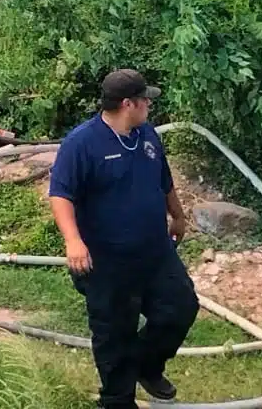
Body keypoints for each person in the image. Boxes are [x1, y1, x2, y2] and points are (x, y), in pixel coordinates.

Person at [48, 69, 198, 407]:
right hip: (108, 261)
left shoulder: (146, 134)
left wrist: (178, 215)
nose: (150, 105)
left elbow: (164, 178)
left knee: (180, 307)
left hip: (155, 250)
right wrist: (73, 241)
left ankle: (147, 365)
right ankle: (117, 399)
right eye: (145, 100)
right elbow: (60, 194)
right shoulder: (82, 143)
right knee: (115, 332)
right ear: (127, 103)